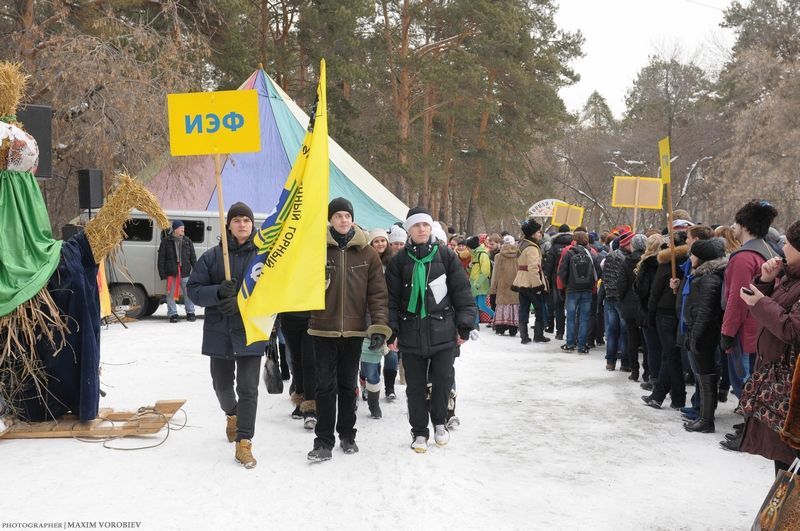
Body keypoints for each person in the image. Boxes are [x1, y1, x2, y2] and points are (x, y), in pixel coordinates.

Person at [306, 198, 391, 462]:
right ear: (330, 219)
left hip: (354, 331)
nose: (343, 220)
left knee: (346, 384)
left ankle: (347, 434)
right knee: (324, 386)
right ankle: (323, 441)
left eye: (347, 215)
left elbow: (377, 294)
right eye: (338, 216)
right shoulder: (316, 249)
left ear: (352, 219)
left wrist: (378, 327)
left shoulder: (367, 253)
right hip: (323, 329)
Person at [386, 206, 475, 453]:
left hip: (443, 332)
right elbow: (390, 301)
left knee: (443, 381)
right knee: (414, 387)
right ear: (409, 230)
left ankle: (439, 422)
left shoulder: (446, 256)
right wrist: (391, 331)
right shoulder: (398, 262)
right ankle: (419, 431)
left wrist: (464, 325)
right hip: (410, 333)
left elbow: (462, 293)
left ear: (430, 228)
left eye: (425, 225)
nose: (421, 229)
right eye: (416, 225)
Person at [187, 202, 265, 469]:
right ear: (228, 225)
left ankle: (244, 443)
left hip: (250, 332)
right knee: (222, 386)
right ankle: (231, 414)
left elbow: (273, 293)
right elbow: (194, 291)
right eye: (237, 220)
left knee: (249, 389)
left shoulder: (263, 257)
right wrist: (219, 292)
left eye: (246, 220)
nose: (242, 224)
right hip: (219, 333)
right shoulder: (212, 257)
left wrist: (244, 304)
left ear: (252, 224)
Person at [738, 219, 800, 473]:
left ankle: (789, 512)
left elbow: (793, 330)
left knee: (792, 463)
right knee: (785, 463)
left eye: (788, 243)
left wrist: (761, 301)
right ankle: (784, 511)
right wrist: (765, 281)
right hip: (781, 387)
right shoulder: (791, 276)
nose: (782, 247)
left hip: (792, 388)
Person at [721, 200, 780, 401]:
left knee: (743, 383)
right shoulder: (771, 251)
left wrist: (727, 332)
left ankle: (748, 426)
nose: (734, 227)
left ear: (744, 226)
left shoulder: (744, 257)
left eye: (736, 223)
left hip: (746, 331)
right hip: (764, 329)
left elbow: (738, 300)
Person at [681, 238, 728, 433]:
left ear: (701, 258)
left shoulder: (709, 278)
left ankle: (706, 420)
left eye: (693, 254)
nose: (690, 257)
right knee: (703, 376)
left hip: (705, 334)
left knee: (707, 377)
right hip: (699, 332)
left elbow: (705, 312)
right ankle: (704, 417)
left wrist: (695, 336)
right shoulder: (703, 274)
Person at [557, 231, 597, 354]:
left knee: (570, 318)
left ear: (575, 240)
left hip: (572, 290)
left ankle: (569, 344)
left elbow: (562, 272)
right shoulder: (591, 254)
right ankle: (581, 346)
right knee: (584, 319)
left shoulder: (569, 253)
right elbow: (598, 272)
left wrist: (565, 285)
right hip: (587, 290)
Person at [514, 219, 550, 344]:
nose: (541, 234)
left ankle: (524, 336)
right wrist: (538, 286)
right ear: (533, 233)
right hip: (531, 282)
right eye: (539, 232)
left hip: (521, 281)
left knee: (523, 309)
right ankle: (538, 335)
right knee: (539, 309)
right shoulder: (532, 248)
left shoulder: (522, 244)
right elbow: (533, 268)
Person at [158, 219, 197, 323]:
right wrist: (162, 274)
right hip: (172, 272)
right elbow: (161, 258)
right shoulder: (166, 241)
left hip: (185, 272)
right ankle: (173, 314)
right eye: (181, 228)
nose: (183, 230)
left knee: (188, 293)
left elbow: (193, 257)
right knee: (170, 294)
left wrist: (196, 271)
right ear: (175, 229)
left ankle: (190, 312)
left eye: (183, 228)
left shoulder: (187, 241)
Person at [543, 224, 573, 340]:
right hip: (572, 279)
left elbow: (549, 265)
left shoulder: (554, 246)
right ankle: (571, 332)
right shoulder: (573, 244)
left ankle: (559, 332)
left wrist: (548, 278)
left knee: (558, 306)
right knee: (571, 306)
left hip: (557, 278)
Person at [489, 234, 520, 336]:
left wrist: (493, 288)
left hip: (502, 287)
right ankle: (513, 329)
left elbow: (496, 273)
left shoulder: (498, 256)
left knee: (502, 306)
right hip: (515, 285)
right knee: (514, 306)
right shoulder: (519, 255)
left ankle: (500, 328)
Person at [466, 235, 494, 327]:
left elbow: (485, 271)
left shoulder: (483, 255)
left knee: (481, 305)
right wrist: (469, 267)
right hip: (474, 284)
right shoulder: (475, 255)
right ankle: (475, 322)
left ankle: (496, 317)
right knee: (474, 305)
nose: (467, 250)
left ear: (471, 247)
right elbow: (474, 270)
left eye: (468, 248)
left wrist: (478, 283)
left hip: (480, 285)